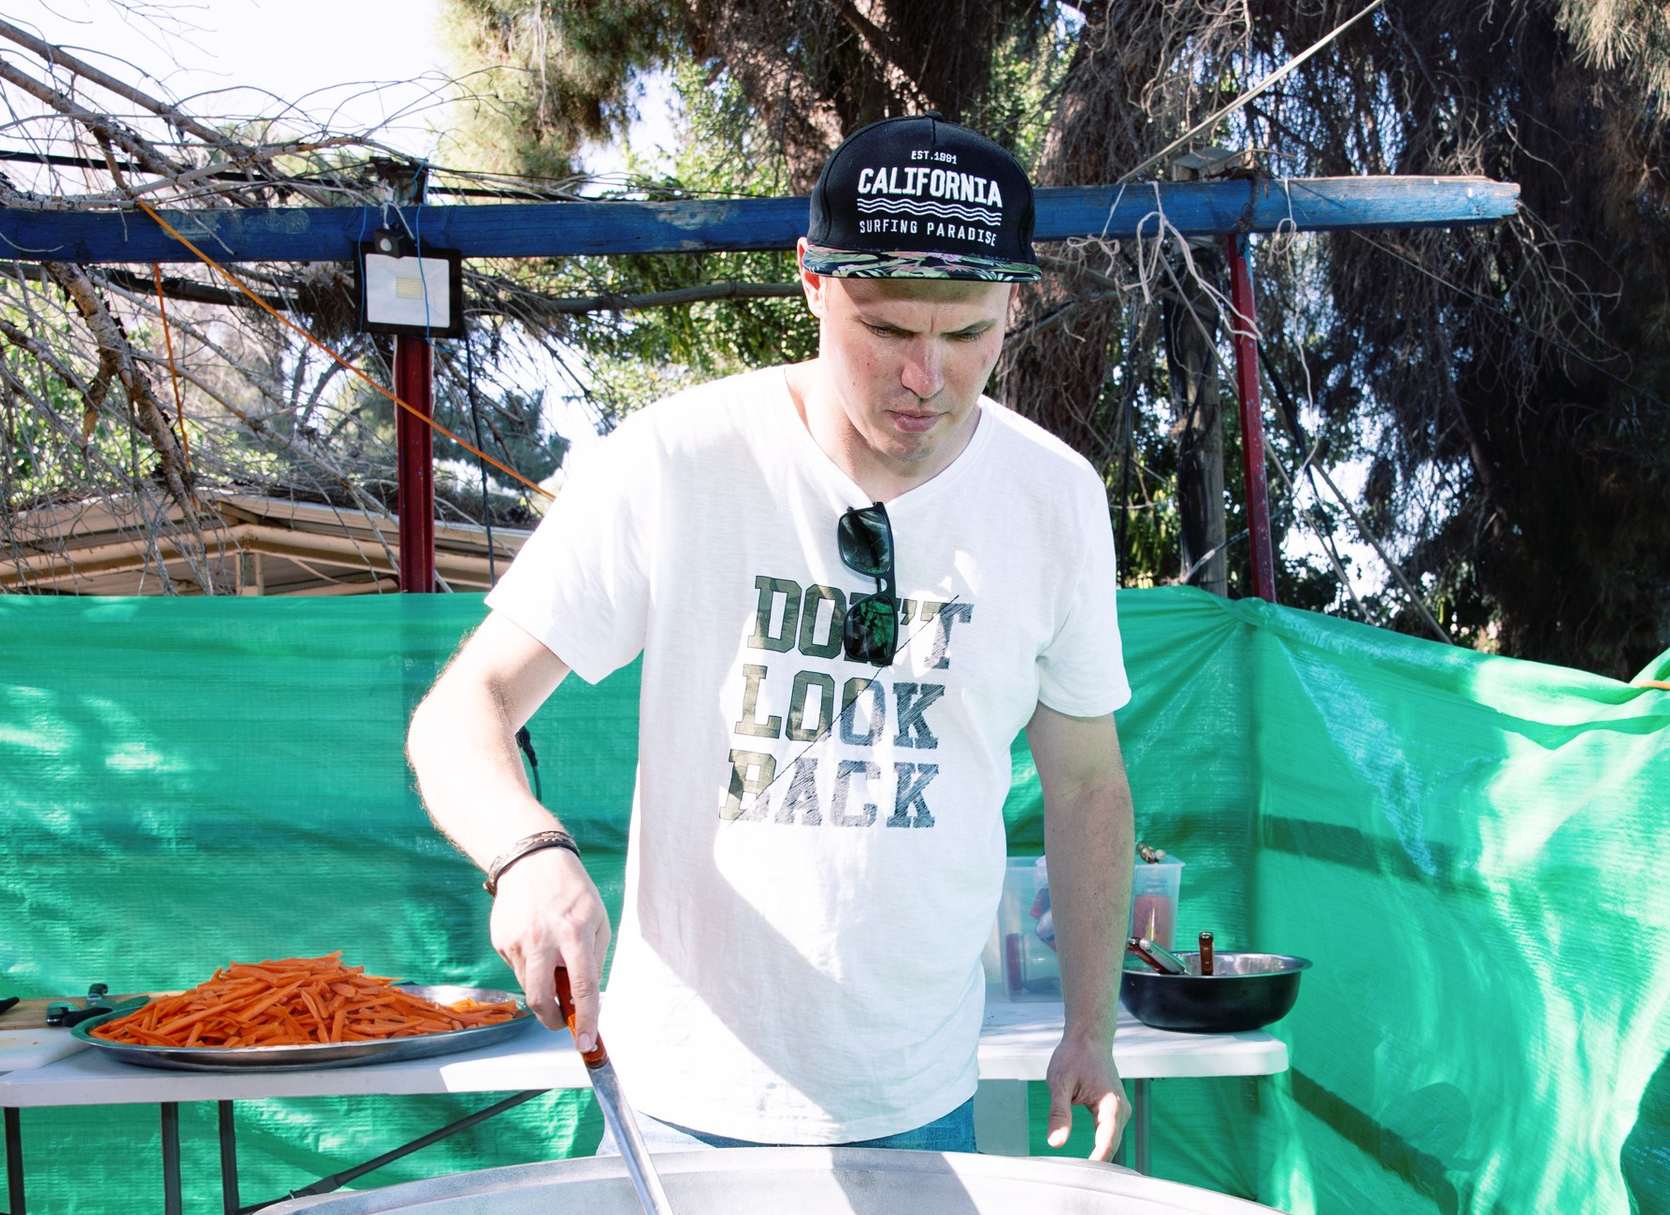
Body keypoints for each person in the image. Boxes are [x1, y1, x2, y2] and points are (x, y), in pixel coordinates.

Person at [407, 114, 1135, 1160]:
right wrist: (523, 852)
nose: (925, 374)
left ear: (1012, 301)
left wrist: (1089, 1026)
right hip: (680, 1104)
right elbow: (461, 710)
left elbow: (1086, 787)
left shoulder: (1055, 499)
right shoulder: (679, 460)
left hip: (920, 1099)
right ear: (810, 281)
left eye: (968, 332)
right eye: (885, 328)